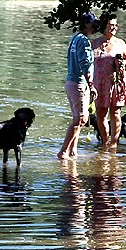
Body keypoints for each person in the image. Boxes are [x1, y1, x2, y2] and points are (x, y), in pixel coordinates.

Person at [56, 12, 98, 160]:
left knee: (78, 118)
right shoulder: (85, 41)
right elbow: (85, 64)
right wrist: (91, 85)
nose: (95, 27)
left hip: (70, 83)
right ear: (87, 24)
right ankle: (63, 152)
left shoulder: (75, 38)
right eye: (93, 24)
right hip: (79, 83)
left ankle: (73, 151)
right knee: (80, 118)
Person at [90, 12, 126, 149]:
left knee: (115, 112)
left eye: (115, 25)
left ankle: (113, 144)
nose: (113, 28)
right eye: (110, 25)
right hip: (100, 83)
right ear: (103, 26)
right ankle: (105, 141)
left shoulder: (120, 43)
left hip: (116, 82)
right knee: (101, 113)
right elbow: (87, 64)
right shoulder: (95, 43)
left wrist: (121, 63)